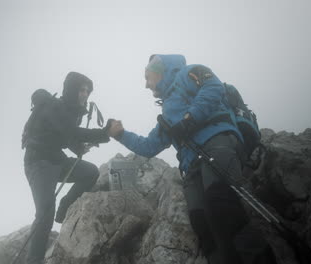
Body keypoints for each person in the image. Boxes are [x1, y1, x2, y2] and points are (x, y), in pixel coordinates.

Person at [107, 55, 276, 264]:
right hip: (191, 164)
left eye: (147, 77)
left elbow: (213, 87)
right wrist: (121, 134)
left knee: (220, 202)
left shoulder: (189, 73)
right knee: (202, 224)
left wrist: (189, 120)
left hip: (217, 140)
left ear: (159, 71)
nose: (145, 84)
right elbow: (149, 146)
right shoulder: (167, 113)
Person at [22, 72, 110, 264]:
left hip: (56, 159)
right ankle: (33, 260)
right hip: (38, 162)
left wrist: (79, 148)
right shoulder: (55, 107)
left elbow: (66, 137)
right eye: (81, 89)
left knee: (90, 172)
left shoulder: (71, 112)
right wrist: (105, 133)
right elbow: (72, 132)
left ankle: (65, 208)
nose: (85, 94)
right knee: (45, 212)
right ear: (71, 90)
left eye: (88, 90)